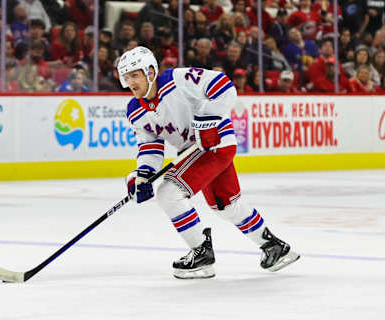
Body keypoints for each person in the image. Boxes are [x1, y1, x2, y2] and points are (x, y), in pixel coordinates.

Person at [117, 46, 300, 279]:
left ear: (150, 72)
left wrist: (208, 119)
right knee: (226, 206)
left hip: (216, 143)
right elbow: (150, 147)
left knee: (168, 193)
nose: (130, 82)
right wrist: (143, 174)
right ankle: (274, 248)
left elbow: (223, 85)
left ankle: (201, 253)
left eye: (135, 75)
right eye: (126, 77)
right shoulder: (134, 110)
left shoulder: (177, 79)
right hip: (196, 150)